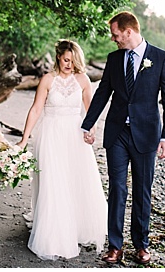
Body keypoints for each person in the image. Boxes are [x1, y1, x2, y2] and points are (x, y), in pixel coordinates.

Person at [81, 11, 165, 265]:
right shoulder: (114, 59)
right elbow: (103, 93)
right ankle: (115, 245)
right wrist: (87, 125)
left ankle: (141, 245)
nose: (114, 39)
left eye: (116, 34)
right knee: (117, 189)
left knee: (142, 191)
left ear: (128, 31)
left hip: (146, 135)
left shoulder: (160, 58)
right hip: (117, 134)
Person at [17, 39, 108, 260]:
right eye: (66, 60)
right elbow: (36, 108)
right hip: (51, 135)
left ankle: (75, 226)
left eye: (73, 60)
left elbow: (91, 110)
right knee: (53, 181)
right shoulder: (48, 79)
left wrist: (91, 131)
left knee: (75, 179)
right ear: (59, 57)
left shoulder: (83, 80)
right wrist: (23, 139)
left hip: (75, 136)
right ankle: (54, 232)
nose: (69, 64)